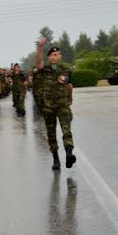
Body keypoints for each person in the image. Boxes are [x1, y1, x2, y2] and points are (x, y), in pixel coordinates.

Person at [36, 39, 76, 170]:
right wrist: (40, 47)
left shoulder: (65, 69)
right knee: (51, 133)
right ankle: (55, 158)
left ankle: (69, 154)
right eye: (51, 55)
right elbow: (38, 63)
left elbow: (69, 83)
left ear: (60, 56)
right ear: (49, 57)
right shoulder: (45, 69)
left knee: (66, 130)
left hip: (62, 105)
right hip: (48, 107)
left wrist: (70, 97)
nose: (54, 57)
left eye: (56, 55)